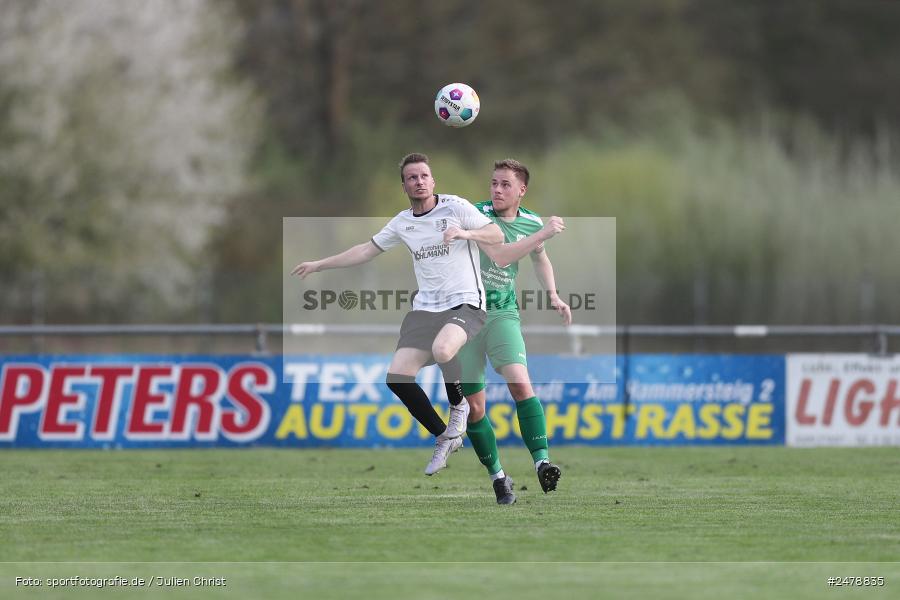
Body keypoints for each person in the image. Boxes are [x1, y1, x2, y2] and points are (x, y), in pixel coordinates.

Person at [291, 153, 503, 475]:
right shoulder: (403, 222)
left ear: (433, 181)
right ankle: (443, 436)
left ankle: (458, 405)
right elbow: (366, 249)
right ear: (404, 185)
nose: (419, 181)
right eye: (412, 178)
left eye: (424, 176)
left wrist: (466, 234)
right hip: (426, 309)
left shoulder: (455, 208)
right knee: (397, 377)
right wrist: (320, 264)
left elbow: (496, 235)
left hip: (465, 302)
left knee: (443, 349)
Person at [458, 158, 570, 504]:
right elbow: (503, 256)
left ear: (521, 190)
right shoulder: (477, 215)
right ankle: (499, 478)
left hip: (502, 314)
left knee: (521, 384)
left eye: (505, 184)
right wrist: (543, 232)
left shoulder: (531, 222)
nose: (496, 190)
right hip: (463, 316)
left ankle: (543, 463)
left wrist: (552, 292)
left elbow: (539, 257)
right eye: (493, 183)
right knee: (475, 409)